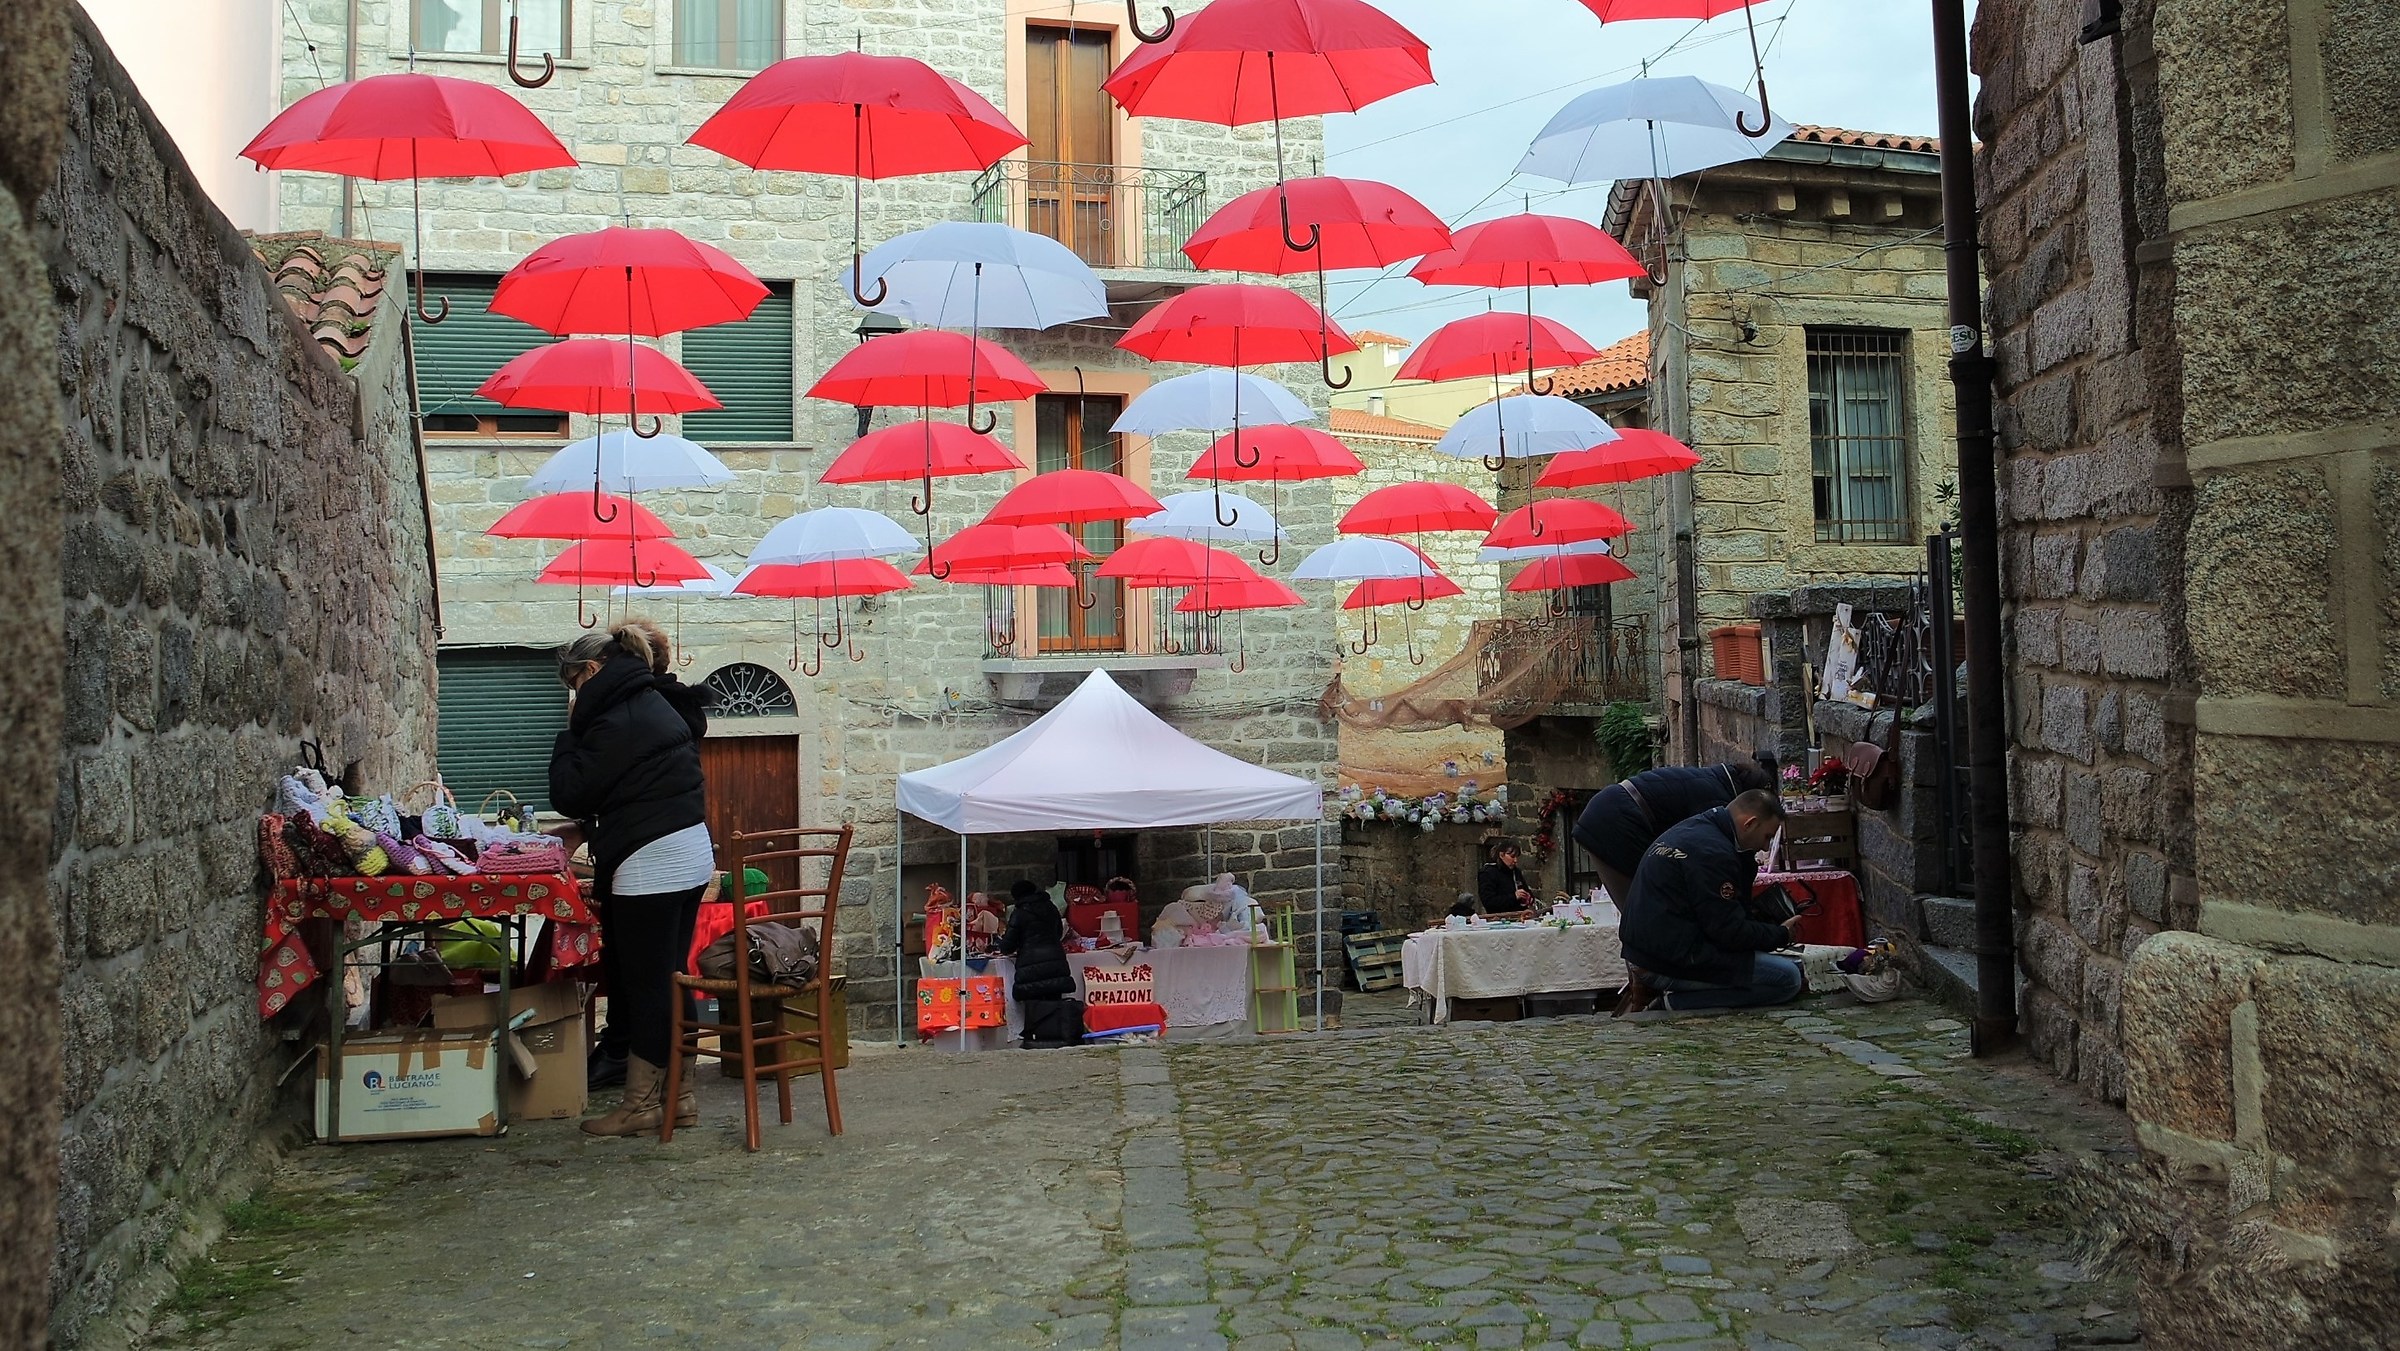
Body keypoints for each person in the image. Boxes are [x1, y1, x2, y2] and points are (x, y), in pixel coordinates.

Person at [551, 618, 713, 1138]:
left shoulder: (616, 716)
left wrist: (566, 734)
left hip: (652, 860)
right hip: (686, 850)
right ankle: (679, 1097)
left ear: (593, 670)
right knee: (670, 975)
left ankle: (641, 1105)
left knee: (646, 984)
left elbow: (571, 791)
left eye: (575, 685)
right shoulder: (651, 703)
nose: (575, 696)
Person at [1614, 789, 1805, 1015]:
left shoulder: (1698, 829)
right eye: (1767, 837)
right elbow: (1728, 932)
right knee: (1789, 978)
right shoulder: (1714, 853)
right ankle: (1675, 1004)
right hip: (1666, 961)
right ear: (1749, 823)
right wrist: (1781, 934)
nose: (1765, 847)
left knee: (1781, 967)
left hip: (1650, 951)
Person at [1571, 754, 1779, 905]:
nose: (1764, 846)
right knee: (1643, 911)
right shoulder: (1717, 801)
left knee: (1648, 909)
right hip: (1615, 822)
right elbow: (1710, 857)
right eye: (1766, 836)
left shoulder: (1717, 781)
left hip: (1610, 812)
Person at [999, 880, 1075, 1002]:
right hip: (1055, 963)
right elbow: (1059, 932)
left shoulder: (1019, 913)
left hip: (1031, 968)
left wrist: (1000, 943)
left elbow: (1008, 946)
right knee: (1056, 1006)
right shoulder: (1051, 907)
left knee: (1035, 1010)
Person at [1476, 842, 1536, 916]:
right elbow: (1489, 902)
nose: (1515, 860)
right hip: (1498, 919)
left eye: (1517, 857)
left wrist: (1528, 898)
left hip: (1520, 917)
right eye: (1512, 856)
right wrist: (1514, 897)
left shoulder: (1516, 872)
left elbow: (1526, 890)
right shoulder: (1488, 873)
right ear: (1501, 855)